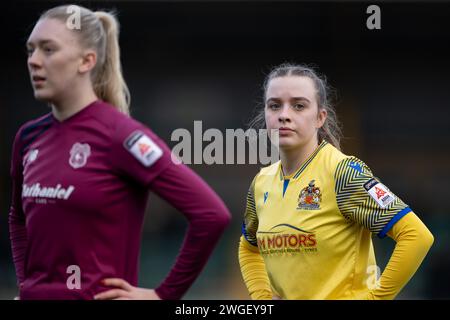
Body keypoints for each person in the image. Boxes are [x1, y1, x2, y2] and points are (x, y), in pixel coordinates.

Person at [9, 4, 231, 300]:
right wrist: (27, 285)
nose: (34, 61)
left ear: (87, 61)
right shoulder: (27, 137)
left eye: (48, 50)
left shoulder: (121, 136)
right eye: (30, 50)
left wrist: (162, 295)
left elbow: (211, 214)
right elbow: (18, 217)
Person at [238, 63, 434, 300]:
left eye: (299, 106)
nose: (284, 115)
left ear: (320, 117)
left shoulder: (344, 172)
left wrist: (376, 298)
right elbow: (248, 247)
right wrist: (262, 299)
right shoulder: (261, 182)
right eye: (275, 105)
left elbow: (416, 236)